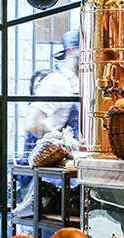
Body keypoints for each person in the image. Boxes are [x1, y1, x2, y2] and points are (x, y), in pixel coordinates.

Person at [22, 29, 80, 160]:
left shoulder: (77, 83)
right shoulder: (58, 81)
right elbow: (33, 123)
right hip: (54, 172)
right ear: (71, 50)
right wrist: (67, 143)